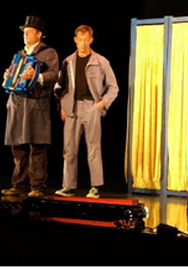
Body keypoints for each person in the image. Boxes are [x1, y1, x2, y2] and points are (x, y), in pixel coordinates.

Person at [54, 25, 119, 199]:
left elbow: (113, 87)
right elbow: (59, 86)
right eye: (80, 39)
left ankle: (95, 186)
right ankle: (68, 186)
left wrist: (101, 105)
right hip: (72, 108)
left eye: (86, 39)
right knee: (69, 149)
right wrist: (62, 107)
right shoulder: (68, 62)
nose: (83, 43)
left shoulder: (100, 61)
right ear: (75, 40)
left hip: (91, 106)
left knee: (93, 148)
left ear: (91, 40)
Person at [2, 16, 59, 198]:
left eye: (28, 32)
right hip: (17, 105)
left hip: (36, 105)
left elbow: (54, 75)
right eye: (24, 32)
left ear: (39, 34)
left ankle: (37, 187)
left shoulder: (48, 53)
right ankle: (19, 185)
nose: (25, 35)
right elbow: (13, 77)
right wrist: (8, 77)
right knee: (18, 146)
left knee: (37, 146)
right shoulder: (19, 55)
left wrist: (36, 76)